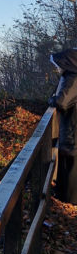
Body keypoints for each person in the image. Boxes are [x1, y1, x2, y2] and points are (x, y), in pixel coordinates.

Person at [48, 48, 77, 203]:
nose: (57, 67)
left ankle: (68, 198)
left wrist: (52, 100)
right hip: (73, 124)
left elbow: (62, 102)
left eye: (58, 64)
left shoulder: (72, 78)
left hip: (73, 126)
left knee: (70, 161)